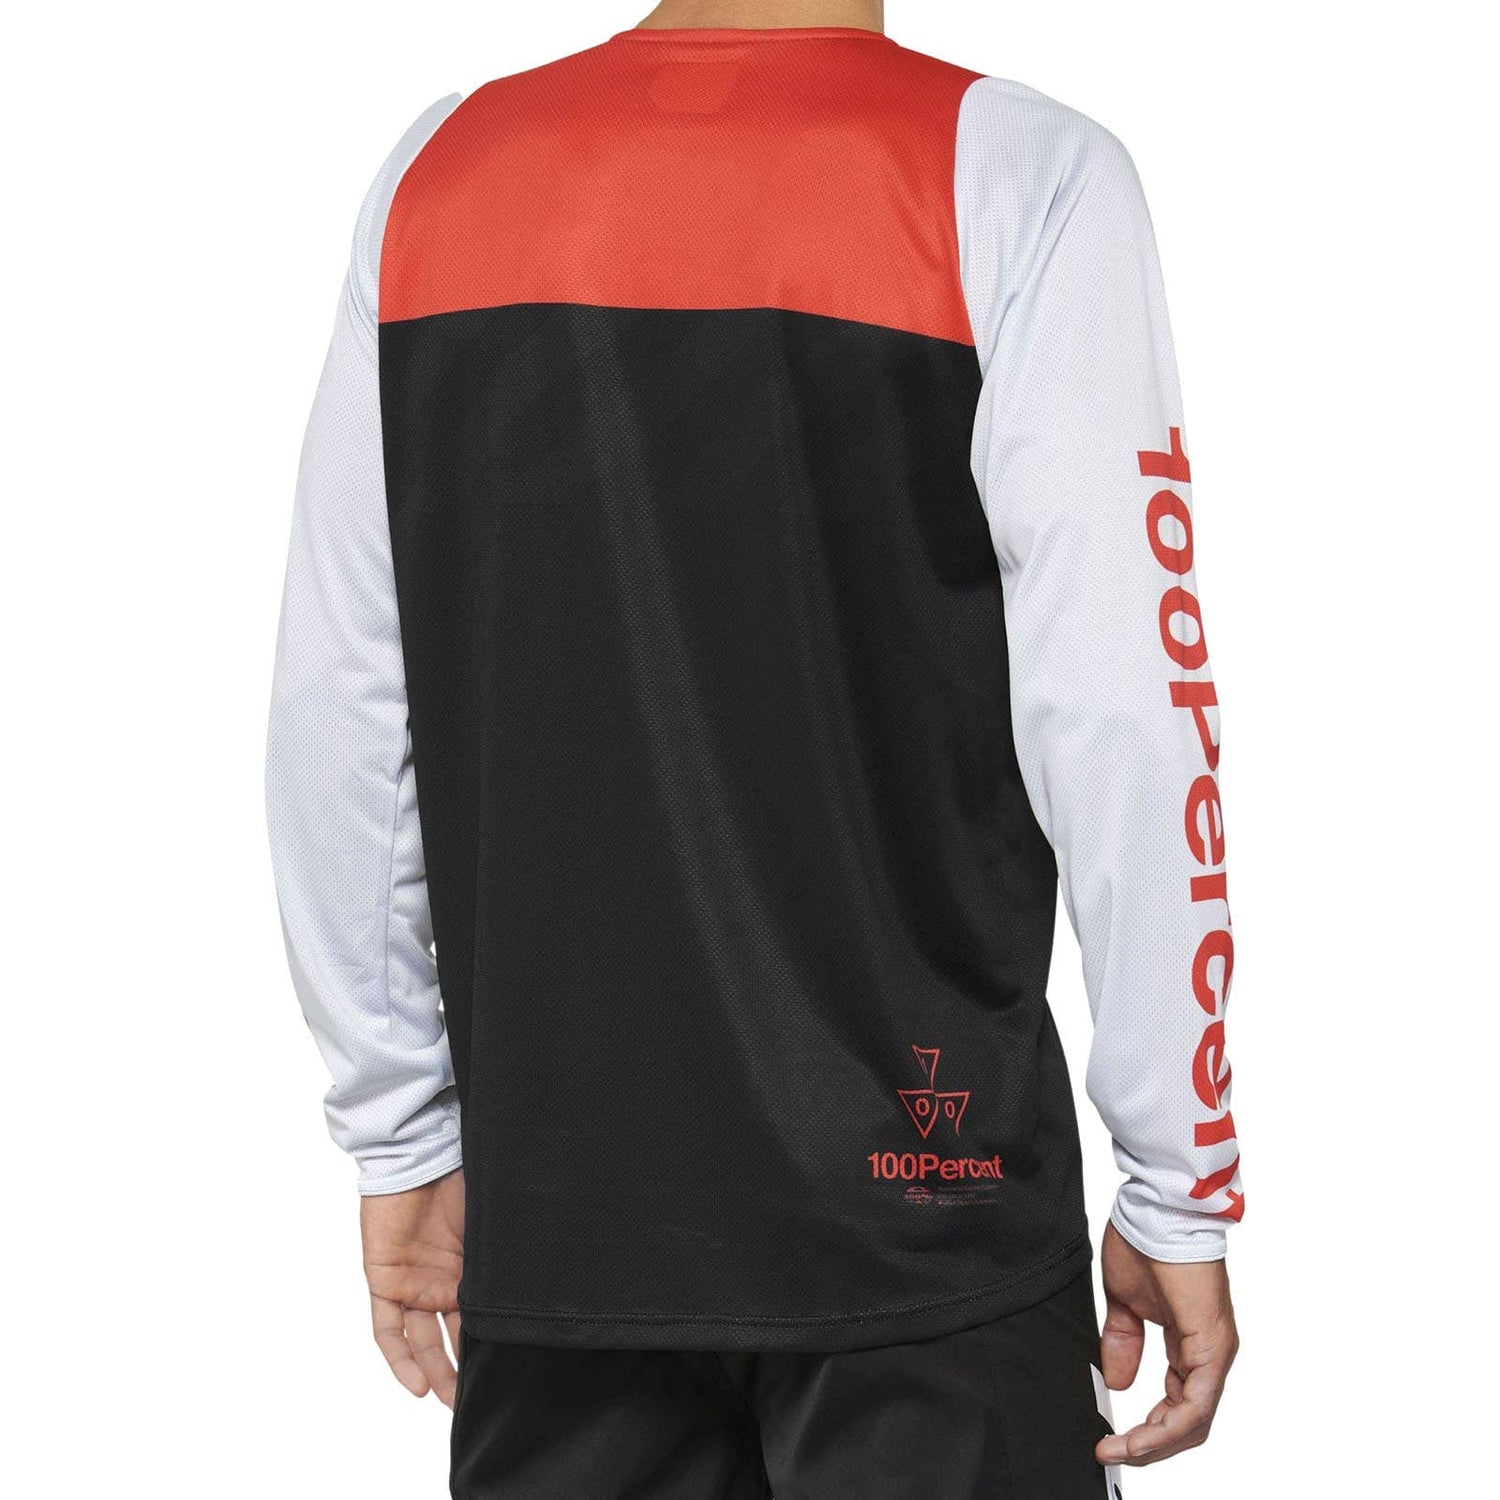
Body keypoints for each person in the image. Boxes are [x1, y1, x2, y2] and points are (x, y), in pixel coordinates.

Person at [265, 1, 1242, 1493]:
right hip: (930, 1227)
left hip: (566, 1232)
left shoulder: (443, 174)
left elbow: (338, 708)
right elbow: (1124, 711)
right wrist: (1180, 1181)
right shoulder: (1019, 174)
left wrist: (396, 1131)